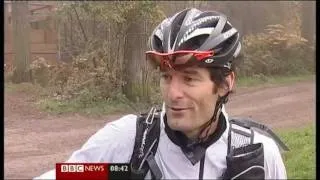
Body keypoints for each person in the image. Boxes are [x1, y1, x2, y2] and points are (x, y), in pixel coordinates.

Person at [35, 8, 287, 179]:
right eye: (166, 77)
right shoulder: (131, 142)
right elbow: (67, 175)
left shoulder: (256, 155)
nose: (173, 93)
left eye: (189, 79)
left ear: (224, 84)